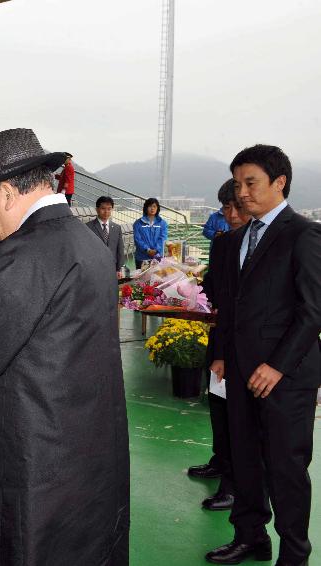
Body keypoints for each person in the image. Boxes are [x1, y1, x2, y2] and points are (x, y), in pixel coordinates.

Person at [0, 128, 130, 566]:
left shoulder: (28, 253)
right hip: (83, 447)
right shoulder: (86, 242)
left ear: (7, 193)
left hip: (33, 452)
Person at [206, 145, 321, 566]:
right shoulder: (233, 241)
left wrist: (277, 365)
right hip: (240, 373)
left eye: (250, 183)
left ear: (279, 182)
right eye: (238, 184)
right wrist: (220, 356)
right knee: (244, 460)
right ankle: (250, 536)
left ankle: (294, 554)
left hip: (285, 378)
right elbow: (228, 310)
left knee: (286, 468)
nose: (242, 193)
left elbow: (313, 311)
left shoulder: (303, 234)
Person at [187, 179, 252, 513]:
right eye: (225, 209)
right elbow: (214, 286)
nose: (229, 216)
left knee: (237, 419)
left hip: (243, 347)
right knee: (218, 405)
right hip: (222, 337)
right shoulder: (224, 243)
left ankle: (232, 485)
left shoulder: (261, 244)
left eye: (233, 208)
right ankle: (219, 460)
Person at [86, 196, 126, 275]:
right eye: (103, 208)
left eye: (109, 209)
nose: (106, 211)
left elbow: (120, 250)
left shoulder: (117, 228)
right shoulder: (88, 227)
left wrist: (120, 268)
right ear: (97, 209)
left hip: (113, 268)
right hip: (95, 269)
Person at [133, 197, 168, 268]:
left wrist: (156, 250)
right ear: (145, 208)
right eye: (150, 206)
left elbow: (163, 238)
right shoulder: (138, 223)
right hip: (142, 257)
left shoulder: (163, 223)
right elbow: (137, 239)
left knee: (157, 278)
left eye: (154, 206)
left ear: (157, 208)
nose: (152, 208)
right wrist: (147, 250)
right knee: (142, 278)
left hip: (158, 257)